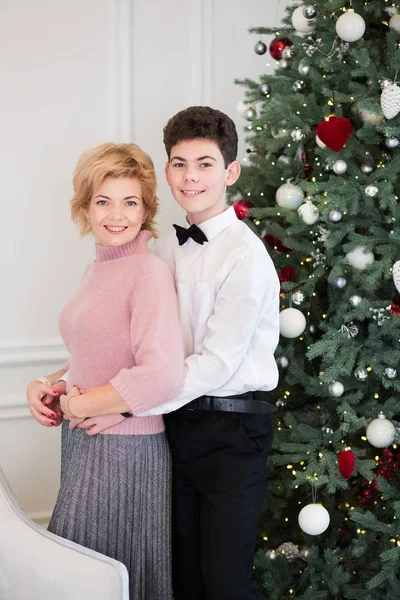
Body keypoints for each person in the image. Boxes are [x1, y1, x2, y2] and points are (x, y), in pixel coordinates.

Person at [71, 106, 280, 600]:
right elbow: (131, 344)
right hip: (173, 426)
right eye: (180, 163)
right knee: (180, 575)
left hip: (232, 430)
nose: (191, 177)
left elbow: (215, 364)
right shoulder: (161, 251)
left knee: (223, 581)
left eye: (205, 164)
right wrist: (66, 382)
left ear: (230, 172)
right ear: (166, 172)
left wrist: (123, 402)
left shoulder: (246, 256)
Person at [26, 142, 185, 600]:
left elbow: (162, 374)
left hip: (126, 453)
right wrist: (52, 385)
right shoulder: (94, 270)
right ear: (85, 209)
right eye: (104, 201)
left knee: (89, 577)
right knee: (87, 578)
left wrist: (77, 402)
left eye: (130, 201)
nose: (117, 214)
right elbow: (93, 353)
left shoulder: (148, 272)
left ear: (146, 209)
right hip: (83, 440)